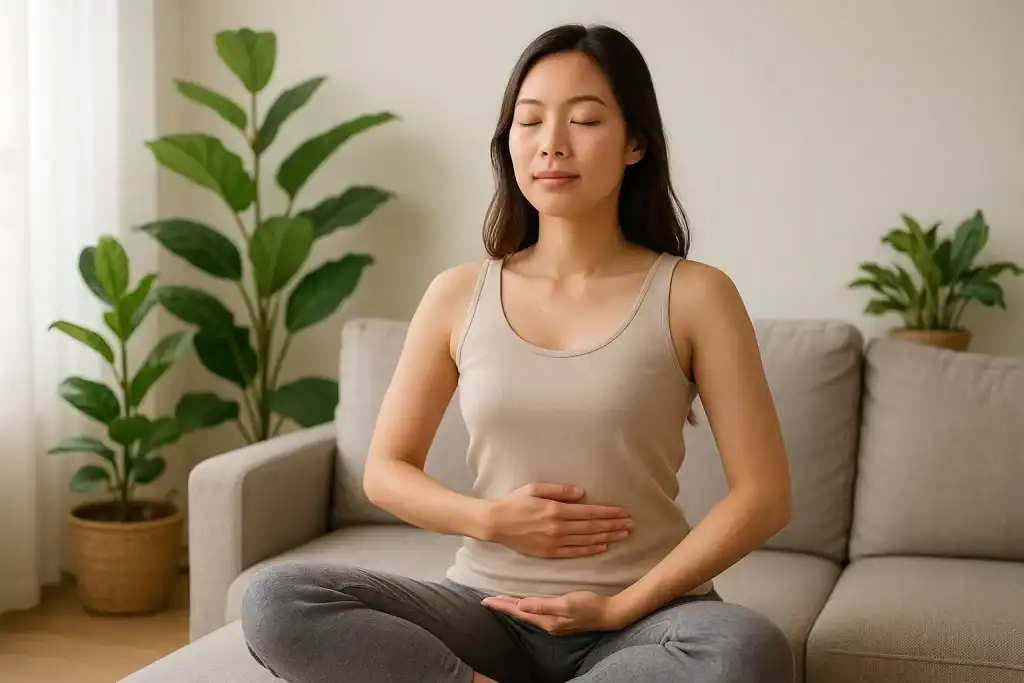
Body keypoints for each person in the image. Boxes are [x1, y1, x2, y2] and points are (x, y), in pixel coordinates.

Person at [241, 22, 794, 683]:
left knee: (748, 648)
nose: (552, 145)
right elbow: (385, 469)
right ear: (508, 143)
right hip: (488, 609)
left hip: (645, 615)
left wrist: (621, 605)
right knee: (276, 599)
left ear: (635, 143)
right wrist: (493, 519)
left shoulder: (696, 294)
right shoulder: (457, 294)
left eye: (585, 120)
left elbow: (763, 495)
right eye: (529, 122)